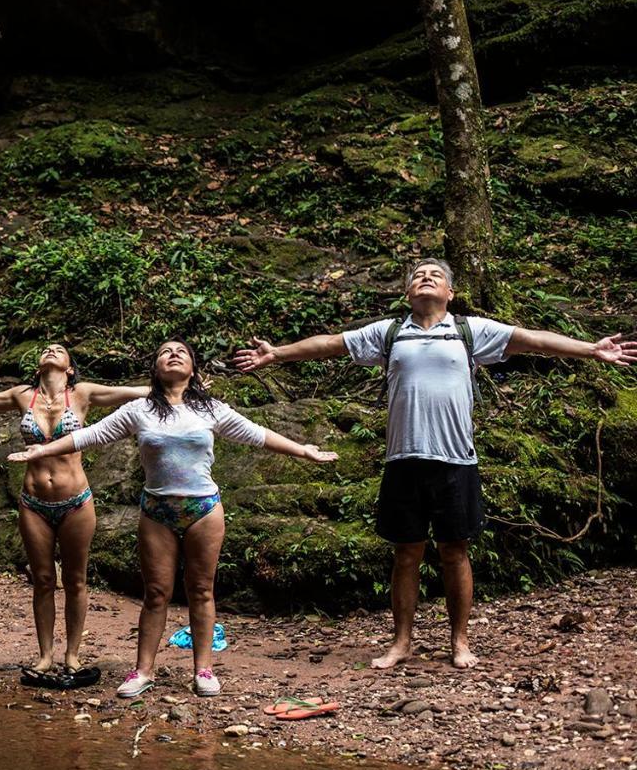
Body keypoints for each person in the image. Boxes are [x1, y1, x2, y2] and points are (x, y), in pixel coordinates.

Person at [232, 257, 637, 669]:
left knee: (454, 551)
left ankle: (459, 642)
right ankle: (401, 643)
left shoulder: (469, 330)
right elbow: (331, 343)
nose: (426, 279)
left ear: (450, 293)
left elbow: (533, 340)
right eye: (419, 276)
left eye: (435, 276)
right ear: (407, 293)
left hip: (455, 459)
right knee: (405, 553)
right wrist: (277, 354)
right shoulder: (389, 333)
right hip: (403, 459)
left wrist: (591, 349)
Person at [10, 338, 338, 698]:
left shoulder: (210, 408)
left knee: (201, 590)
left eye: (182, 351)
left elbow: (257, 434)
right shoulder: (140, 409)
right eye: (165, 351)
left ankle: (203, 670)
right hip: (157, 511)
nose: (174, 354)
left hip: (203, 509)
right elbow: (88, 436)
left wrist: (303, 450)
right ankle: (143, 671)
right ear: (155, 369)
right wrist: (42, 449)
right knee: (156, 594)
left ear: (193, 369)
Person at [0, 343, 148, 686]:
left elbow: (133, 392)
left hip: (76, 501)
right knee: (42, 580)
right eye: (47, 349)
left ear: (70, 368)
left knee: (75, 580)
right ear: (39, 366)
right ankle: (44, 655)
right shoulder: (23, 395)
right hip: (33, 502)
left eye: (60, 350)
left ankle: (72, 654)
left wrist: (180, 386)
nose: (52, 351)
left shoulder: (81, 394)